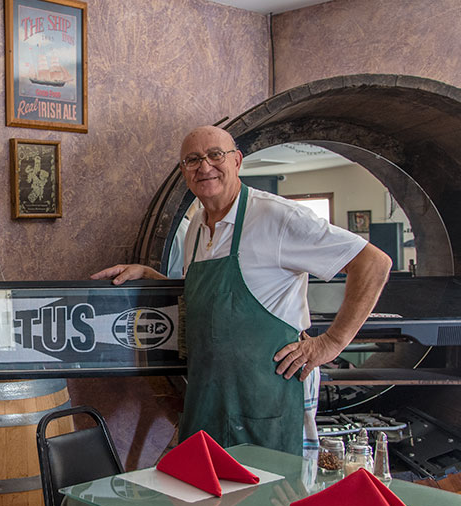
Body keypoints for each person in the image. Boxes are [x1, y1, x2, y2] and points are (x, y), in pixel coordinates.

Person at [92, 125, 391, 455]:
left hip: (269, 393)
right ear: (183, 171)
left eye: (215, 155)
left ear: (237, 161)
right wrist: (150, 276)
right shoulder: (196, 227)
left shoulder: (277, 216)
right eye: (193, 160)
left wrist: (331, 343)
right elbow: (206, 300)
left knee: (276, 484)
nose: (204, 166)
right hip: (209, 395)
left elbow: (373, 263)